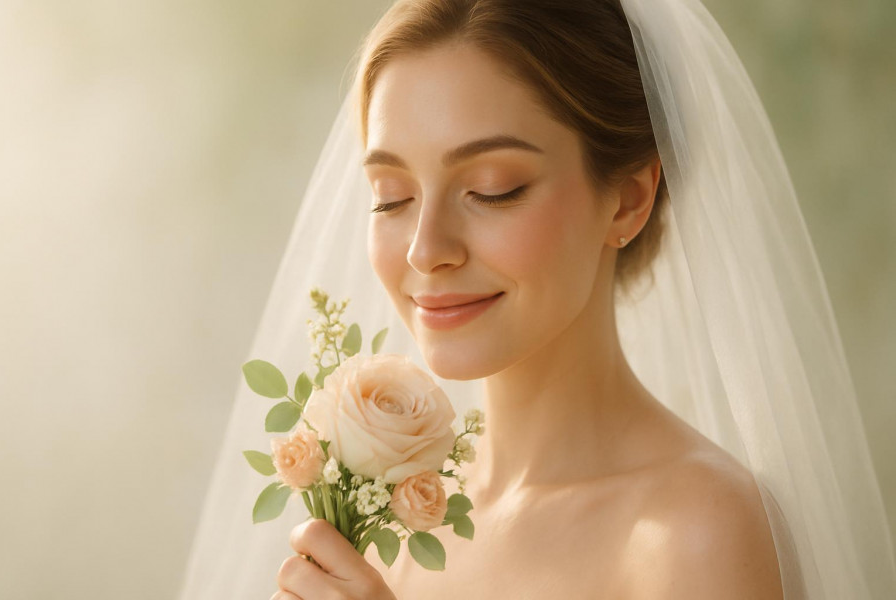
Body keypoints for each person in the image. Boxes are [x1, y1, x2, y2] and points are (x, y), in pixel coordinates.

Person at [179, 1, 896, 599]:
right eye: (390, 197)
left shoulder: (697, 532)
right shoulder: (393, 518)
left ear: (628, 199)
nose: (427, 248)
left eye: (492, 188)